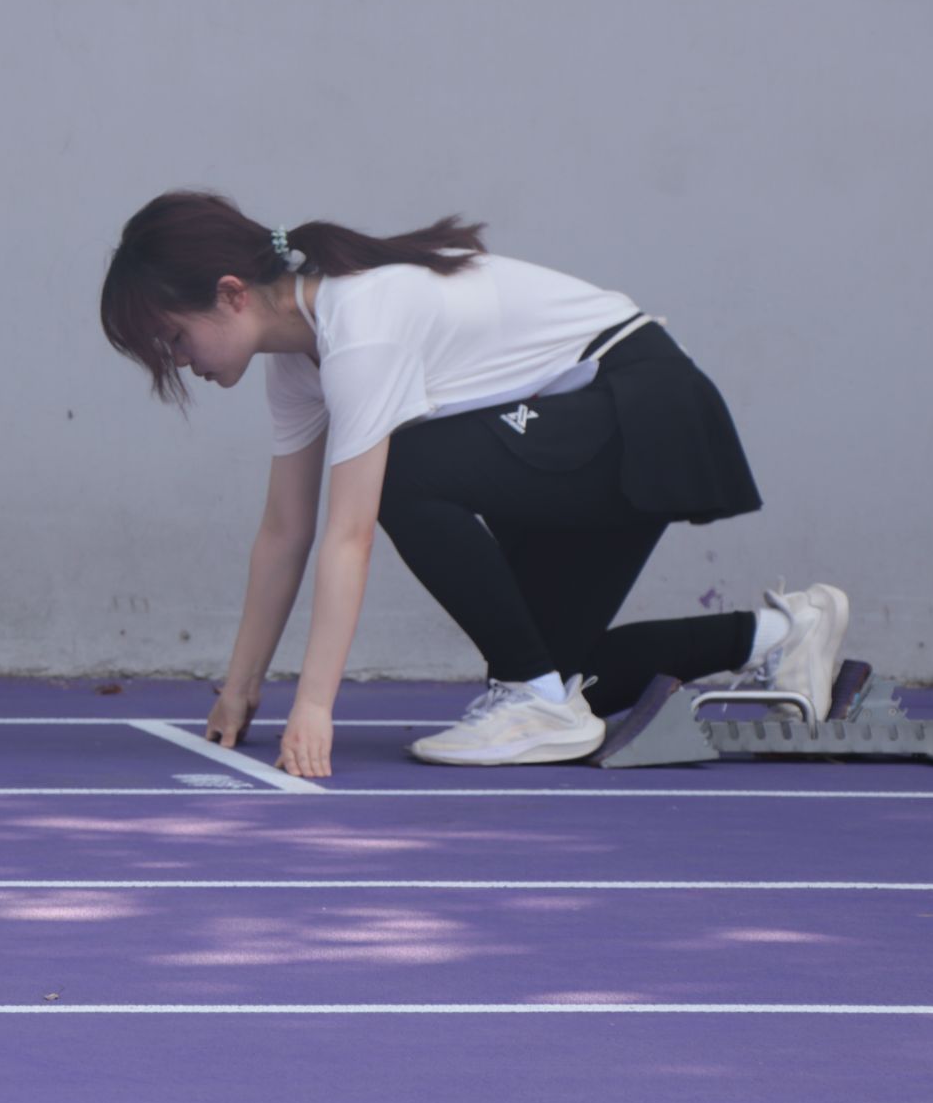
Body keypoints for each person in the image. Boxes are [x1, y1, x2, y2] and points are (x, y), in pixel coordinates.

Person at [100, 190, 847, 775]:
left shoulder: (362, 324)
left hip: (644, 406)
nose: (180, 365)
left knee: (405, 471)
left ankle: (532, 696)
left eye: (174, 339)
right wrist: (240, 688)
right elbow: (284, 533)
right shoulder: (300, 364)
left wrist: (315, 707)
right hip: (595, 430)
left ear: (232, 293)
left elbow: (350, 535)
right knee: (566, 674)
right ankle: (784, 635)